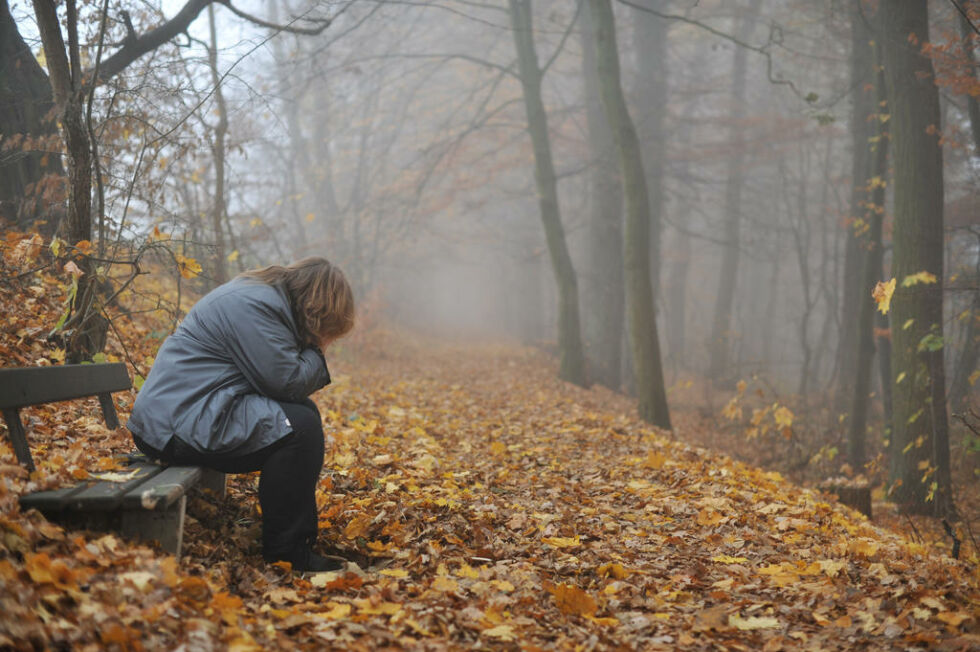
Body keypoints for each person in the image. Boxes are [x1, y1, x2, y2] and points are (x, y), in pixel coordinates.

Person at [127, 257, 354, 571]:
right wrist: (316, 351)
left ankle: (295, 541)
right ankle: (287, 552)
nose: (326, 339)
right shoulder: (257, 307)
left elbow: (280, 382)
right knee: (299, 428)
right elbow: (285, 382)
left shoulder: (264, 299)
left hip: (185, 411)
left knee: (302, 416)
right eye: (328, 331)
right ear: (317, 307)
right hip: (174, 423)